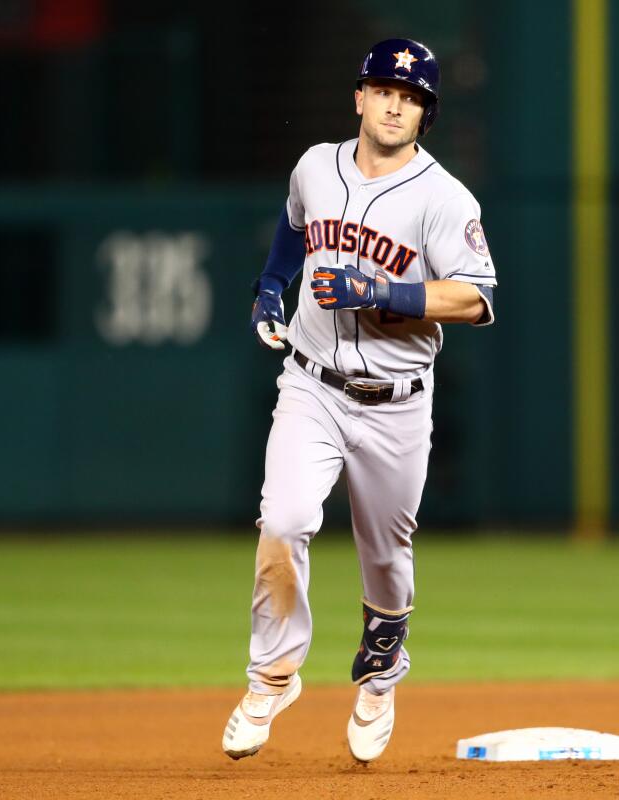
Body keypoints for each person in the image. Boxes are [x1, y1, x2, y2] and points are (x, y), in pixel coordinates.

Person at [221, 37, 497, 764]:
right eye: (384, 90)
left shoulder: (445, 198)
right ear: (359, 97)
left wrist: (385, 292)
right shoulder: (315, 164)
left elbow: (473, 298)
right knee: (282, 520)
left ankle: (380, 673)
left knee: (385, 555)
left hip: (397, 401)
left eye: (411, 97)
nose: (395, 104)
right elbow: (291, 227)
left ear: (424, 114)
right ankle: (274, 674)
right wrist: (270, 288)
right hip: (310, 382)